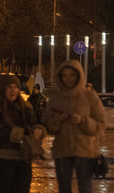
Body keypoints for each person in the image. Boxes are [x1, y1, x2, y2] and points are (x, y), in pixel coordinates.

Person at [43, 60, 106, 193]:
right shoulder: (56, 98)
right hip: (62, 151)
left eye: (72, 75)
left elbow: (100, 125)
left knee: (85, 188)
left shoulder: (90, 97)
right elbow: (48, 125)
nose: (68, 79)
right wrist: (57, 120)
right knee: (64, 188)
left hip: (86, 151)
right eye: (65, 75)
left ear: (78, 76)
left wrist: (82, 121)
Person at [0, 75, 46, 193]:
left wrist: (39, 130)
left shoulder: (26, 106)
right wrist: (23, 135)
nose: (13, 90)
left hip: (22, 158)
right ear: (2, 89)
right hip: (1, 158)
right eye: (9, 87)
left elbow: (35, 122)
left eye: (16, 87)